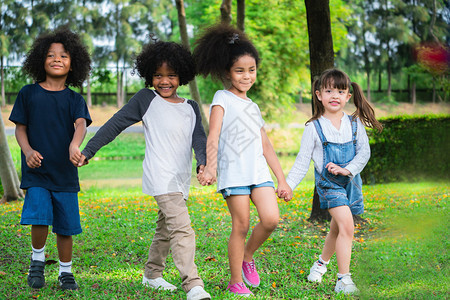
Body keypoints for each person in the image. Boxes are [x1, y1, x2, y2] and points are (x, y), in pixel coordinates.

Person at [77, 40, 211, 300]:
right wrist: (89, 150)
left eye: (171, 75)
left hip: (180, 179)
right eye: (158, 75)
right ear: (149, 75)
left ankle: (152, 275)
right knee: (182, 228)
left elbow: (199, 139)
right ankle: (193, 285)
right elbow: (115, 124)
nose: (164, 81)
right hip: (160, 176)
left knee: (165, 228)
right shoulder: (145, 99)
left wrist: (202, 163)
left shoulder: (191, 107)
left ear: (181, 75)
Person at [194, 24, 292, 297]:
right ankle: (235, 280)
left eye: (251, 70)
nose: (247, 76)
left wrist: (281, 179)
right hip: (234, 173)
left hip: (259, 172)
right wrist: (210, 167)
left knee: (271, 219)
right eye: (240, 70)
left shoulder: (253, 106)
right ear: (227, 72)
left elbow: (266, 145)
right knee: (242, 224)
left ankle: (248, 256)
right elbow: (212, 136)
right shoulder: (221, 98)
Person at [286, 68, 383, 294]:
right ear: (319, 95)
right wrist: (288, 185)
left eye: (340, 91)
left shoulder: (355, 123)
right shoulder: (313, 127)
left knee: (337, 229)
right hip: (329, 185)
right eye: (329, 90)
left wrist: (346, 169)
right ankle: (343, 279)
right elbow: (302, 162)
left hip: (351, 182)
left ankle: (320, 264)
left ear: (348, 96)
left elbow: (364, 153)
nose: (334, 96)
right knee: (347, 226)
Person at [9, 28, 92, 290]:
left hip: (65, 173)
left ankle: (65, 273)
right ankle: (37, 263)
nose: (57, 59)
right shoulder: (28, 93)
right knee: (40, 217)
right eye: (50, 55)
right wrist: (28, 151)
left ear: (73, 63)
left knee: (66, 225)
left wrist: (74, 145)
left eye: (64, 56)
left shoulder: (74, 99)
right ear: (40, 60)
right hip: (38, 172)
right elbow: (19, 128)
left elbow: (81, 124)